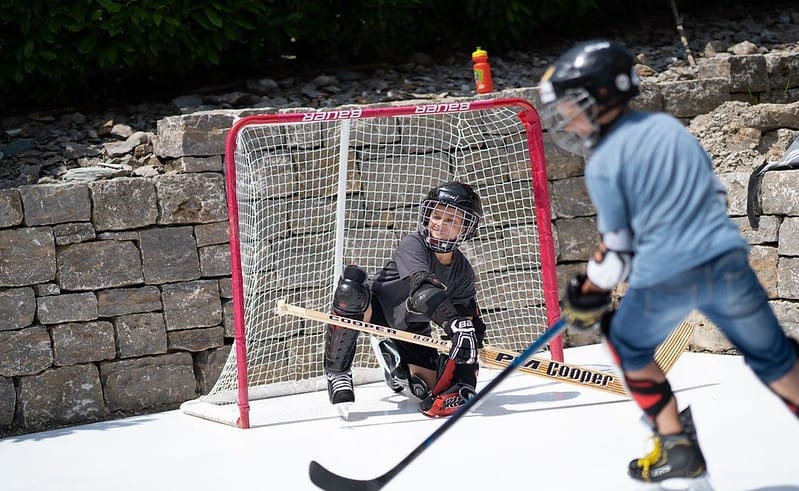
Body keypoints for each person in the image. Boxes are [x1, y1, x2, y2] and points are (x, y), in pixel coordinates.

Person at [537, 39, 799, 486]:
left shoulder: (603, 161)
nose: (566, 117)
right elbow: (715, 195)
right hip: (726, 265)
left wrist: (589, 293)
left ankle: (676, 446)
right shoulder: (668, 128)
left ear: (602, 96)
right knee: (773, 357)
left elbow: (618, 249)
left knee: (624, 339)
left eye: (571, 104)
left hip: (667, 278)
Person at [323, 181, 487, 417]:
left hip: (411, 328)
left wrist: (466, 362)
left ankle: (396, 369)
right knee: (350, 290)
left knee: (428, 389)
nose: (440, 224)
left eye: (451, 220)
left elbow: (468, 316)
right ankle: (338, 374)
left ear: (465, 229)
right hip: (376, 310)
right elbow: (422, 293)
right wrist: (454, 324)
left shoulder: (463, 271)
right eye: (436, 216)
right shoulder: (414, 244)